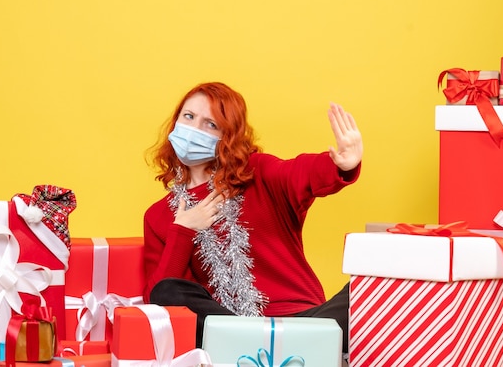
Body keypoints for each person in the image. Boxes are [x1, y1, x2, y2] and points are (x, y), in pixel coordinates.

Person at [142, 81, 363, 352]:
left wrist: (339, 165)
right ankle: (271, 346)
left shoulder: (258, 172)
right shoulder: (159, 216)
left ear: (228, 136)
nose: (194, 129)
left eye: (210, 124)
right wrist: (184, 230)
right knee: (167, 291)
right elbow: (157, 300)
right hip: (231, 327)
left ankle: (275, 346)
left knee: (372, 285)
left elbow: (300, 173)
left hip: (304, 320)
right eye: (188, 117)